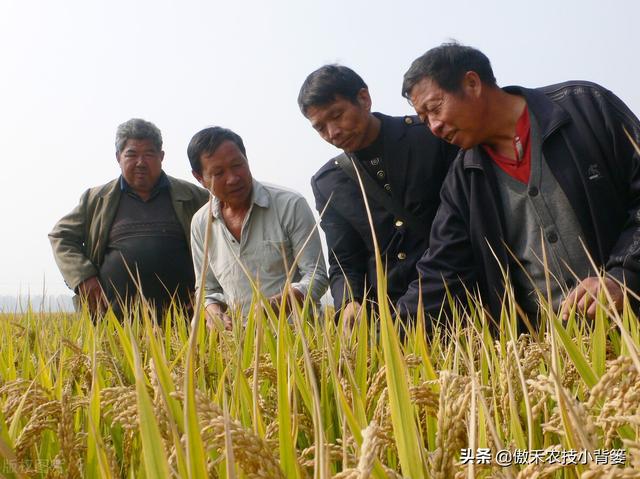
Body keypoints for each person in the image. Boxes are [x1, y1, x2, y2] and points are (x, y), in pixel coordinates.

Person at [396, 42, 640, 324]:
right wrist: (382, 340)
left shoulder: (586, 109)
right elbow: (441, 272)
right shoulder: (463, 182)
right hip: (552, 354)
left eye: (435, 108)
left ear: (472, 83)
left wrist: (623, 275)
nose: (434, 127)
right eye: (425, 120)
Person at [298, 64, 457, 323]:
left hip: (454, 300)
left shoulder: (430, 136)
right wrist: (350, 301)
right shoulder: (328, 182)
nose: (332, 133)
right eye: (320, 127)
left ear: (364, 98)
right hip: (387, 317)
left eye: (337, 115)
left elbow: (463, 225)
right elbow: (344, 259)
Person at [49, 118, 209, 317]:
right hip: (113, 323)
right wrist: (83, 277)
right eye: (131, 154)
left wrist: (211, 296)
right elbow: (61, 235)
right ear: (118, 157)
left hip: (185, 321)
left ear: (161, 156)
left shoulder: (195, 197)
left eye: (149, 154)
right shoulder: (97, 199)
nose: (141, 163)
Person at [187, 126, 328, 329]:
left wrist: (280, 303)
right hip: (238, 345)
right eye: (218, 173)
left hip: (302, 343)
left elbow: (317, 275)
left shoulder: (290, 204)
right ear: (200, 178)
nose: (233, 178)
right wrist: (213, 312)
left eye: (237, 165)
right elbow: (207, 289)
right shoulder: (201, 223)